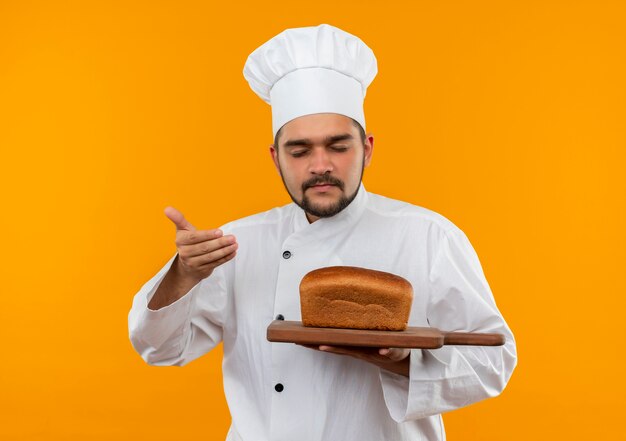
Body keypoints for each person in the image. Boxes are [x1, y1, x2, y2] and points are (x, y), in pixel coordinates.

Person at [128, 24, 517, 441]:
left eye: (338, 146)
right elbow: (160, 349)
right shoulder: (237, 244)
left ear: (367, 148)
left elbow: (493, 362)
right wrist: (184, 275)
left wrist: (400, 361)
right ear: (276, 159)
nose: (320, 165)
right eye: (299, 151)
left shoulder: (429, 237)